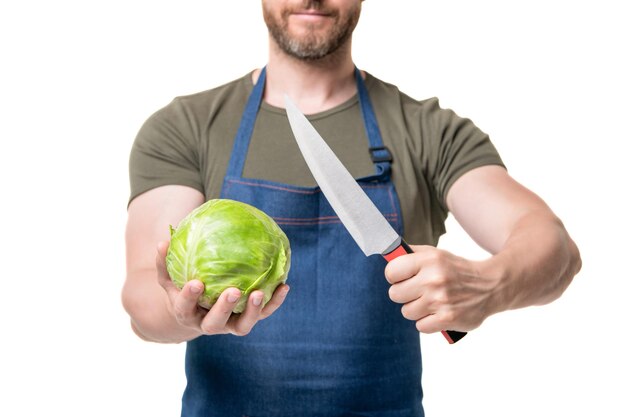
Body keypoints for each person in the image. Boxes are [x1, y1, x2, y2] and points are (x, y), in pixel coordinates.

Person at [122, 1, 582, 416]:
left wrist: (491, 284)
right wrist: (179, 311)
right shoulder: (184, 128)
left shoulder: (428, 131)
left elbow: (553, 246)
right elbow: (143, 296)